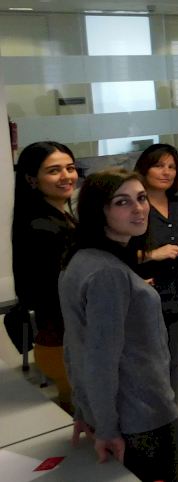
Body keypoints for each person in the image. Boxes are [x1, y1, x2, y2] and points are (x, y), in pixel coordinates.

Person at [59, 168, 178, 481]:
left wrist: (85, 409)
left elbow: (75, 345)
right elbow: (99, 359)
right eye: (122, 202)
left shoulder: (82, 258)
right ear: (99, 210)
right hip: (143, 416)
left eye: (141, 198)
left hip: (129, 412)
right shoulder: (108, 274)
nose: (139, 209)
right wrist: (106, 428)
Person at [11, 141, 77, 411]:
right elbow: (62, 289)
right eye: (54, 170)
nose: (66, 176)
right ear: (31, 179)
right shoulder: (42, 227)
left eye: (70, 168)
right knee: (85, 415)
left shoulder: (59, 217)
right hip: (64, 337)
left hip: (64, 337)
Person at [133, 143, 178, 392]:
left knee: (171, 362)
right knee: (153, 364)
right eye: (159, 166)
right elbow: (114, 255)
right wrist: (152, 254)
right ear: (144, 169)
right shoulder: (134, 206)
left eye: (172, 167)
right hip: (148, 295)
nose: (166, 172)